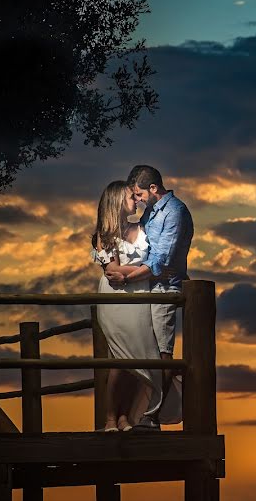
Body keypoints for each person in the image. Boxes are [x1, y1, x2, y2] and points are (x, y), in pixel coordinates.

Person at [104, 165, 193, 428]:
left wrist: (126, 277)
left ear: (153, 189)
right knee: (140, 350)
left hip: (164, 288)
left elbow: (160, 262)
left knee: (162, 352)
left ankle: (152, 416)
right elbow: (136, 246)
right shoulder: (151, 212)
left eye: (140, 194)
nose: (138, 200)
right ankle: (132, 416)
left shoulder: (175, 212)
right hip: (145, 288)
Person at [90, 180, 163, 432]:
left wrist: (142, 271)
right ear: (116, 201)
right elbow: (111, 271)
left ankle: (126, 417)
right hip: (115, 298)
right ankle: (111, 417)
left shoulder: (142, 228)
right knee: (121, 358)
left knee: (138, 357)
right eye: (130, 196)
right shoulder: (104, 235)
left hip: (141, 297)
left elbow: (156, 263)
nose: (136, 199)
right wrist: (146, 270)